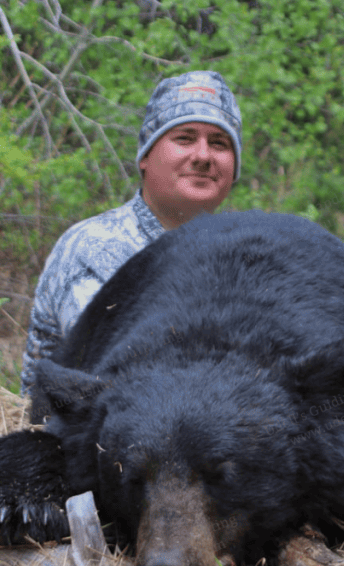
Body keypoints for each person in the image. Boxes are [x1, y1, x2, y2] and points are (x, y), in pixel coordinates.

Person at [20, 71, 242, 393]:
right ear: (146, 158)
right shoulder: (96, 247)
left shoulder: (243, 258)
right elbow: (118, 378)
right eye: (185, 138)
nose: (203, 156)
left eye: (219, 143)